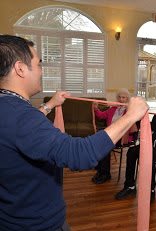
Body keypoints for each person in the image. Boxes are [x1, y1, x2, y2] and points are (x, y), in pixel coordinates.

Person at [0, 35, 148, 230]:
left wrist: (50, 105)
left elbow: (20, 129)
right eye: (38, 64)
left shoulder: (8, 109)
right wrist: (130, 117)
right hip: (36, 223)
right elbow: (80, 154)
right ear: (20, 68)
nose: (41, 71)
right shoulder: (21, 116)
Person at [92, 88, 133, 184]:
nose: (121, 99)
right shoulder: (113, 108)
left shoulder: (129, 111)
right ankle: (101, 170)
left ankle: (105, 173)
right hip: (111, 134)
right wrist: (96, 108)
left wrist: (128, 108)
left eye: (124, 97)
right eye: (119, 97)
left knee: (104, 145)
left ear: (127, 99)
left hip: (122, 137)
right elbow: (101, 116)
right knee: (99, 140)